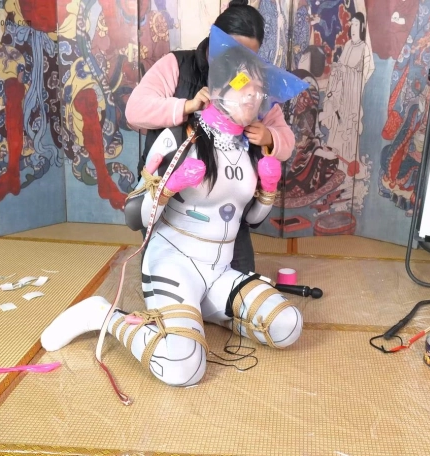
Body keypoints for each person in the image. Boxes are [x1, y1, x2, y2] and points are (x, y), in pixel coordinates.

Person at [40, 32, 304, 388]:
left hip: (220, 268)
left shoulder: (252, 145)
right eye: (245, 86)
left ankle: (202, 312)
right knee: (183, 369)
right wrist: (167, 188)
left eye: (259, 91)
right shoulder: (180, 137)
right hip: (174, 262)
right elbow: (134, 215)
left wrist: (268, 189)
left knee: (288, 324)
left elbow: (251, 220)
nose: (253, 97)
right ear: (218, 88)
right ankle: (103, 316)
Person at [123, 0, 295, 275]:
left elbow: (286, 140)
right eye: (232, 50)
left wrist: (269, 137)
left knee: (239, 284)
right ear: (215, 39)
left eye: (248, 55)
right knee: (169, 282)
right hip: (169, 201)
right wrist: (186, 107)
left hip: (225, 210)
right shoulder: (177, 65)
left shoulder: (254, 81)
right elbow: (134, 110)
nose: (239, 61)